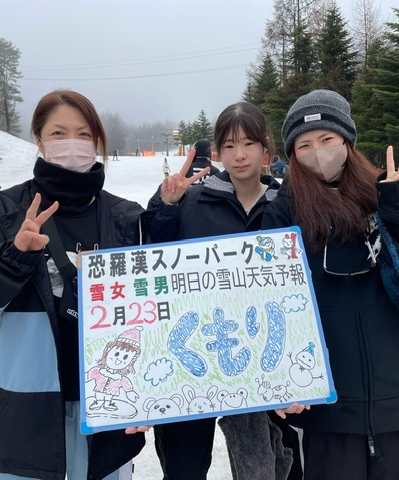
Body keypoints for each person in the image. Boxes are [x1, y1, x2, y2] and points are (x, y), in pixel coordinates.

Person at [0, 89, 148, 480]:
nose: (72, 143)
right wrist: (13, 255)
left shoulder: (126, 218)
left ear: (98, 141)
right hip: (25, 409)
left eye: (83, 133)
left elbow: (150, 314)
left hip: (108, 407)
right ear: (38, 139)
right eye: (58, 133)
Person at [262, 89, 399, 479]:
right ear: (292, 155)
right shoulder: (282, 212)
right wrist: (284, 379)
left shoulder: (383, 196)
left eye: (327, 139)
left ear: (347, 142)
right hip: (326, 400)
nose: (317, 151)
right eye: (304, 145)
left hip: (398, 392)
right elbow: (272, 301)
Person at [148, 102, 305, 480]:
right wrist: (166, 205)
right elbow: (155, 260)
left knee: (274, 458)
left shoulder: (287, 203)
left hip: (266, 344)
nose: (239, 154)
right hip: (198, 347)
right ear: (217, 151)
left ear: (265, 151)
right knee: (185, 459)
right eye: (230, 144)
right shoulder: (193, 201)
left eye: (249, 143)